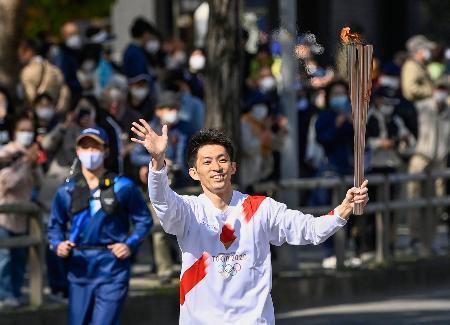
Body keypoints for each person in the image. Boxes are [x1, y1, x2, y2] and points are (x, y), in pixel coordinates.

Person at [130, 124, 369, 324]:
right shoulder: (189, 211)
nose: (217, 167)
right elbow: (162, 201)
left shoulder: (261, 208)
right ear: (194, 172)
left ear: (233, 167)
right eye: (208, 162)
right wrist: (158, 161)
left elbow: (309, 230)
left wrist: (344, 208)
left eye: (223, 160)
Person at [48, 126, 152, 325]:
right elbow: (55, 224)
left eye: (95, 147)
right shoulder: (67, 189)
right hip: (79, 266)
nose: (89, 152)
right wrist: (58, 244)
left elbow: (144, 220)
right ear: (77, 151)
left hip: (111, 266)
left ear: (105, 150)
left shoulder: (123, 186)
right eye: (84, 147)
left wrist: (129, 244)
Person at [0, 116, 41, 309]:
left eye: (30, 129)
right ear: (15, 131)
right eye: (23, 129)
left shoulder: (31, 154)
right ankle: (6, 294)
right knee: (5, 259)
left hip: (25, 217)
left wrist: (34, 164)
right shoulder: (7, 153)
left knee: (20, 259)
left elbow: (39, 183)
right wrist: (25, 163)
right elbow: (8, 183)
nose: (27, 133)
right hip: (5, 215)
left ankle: (16, 293)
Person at [18, 39, 70, 114]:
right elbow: (65, 91)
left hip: (37, 114)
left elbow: (30, 96)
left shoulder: (27, 71)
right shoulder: (54, 69)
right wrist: (58, 109)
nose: (20, 57)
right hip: (53, 112)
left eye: (22, 53)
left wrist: (37, 109)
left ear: (29, 51)